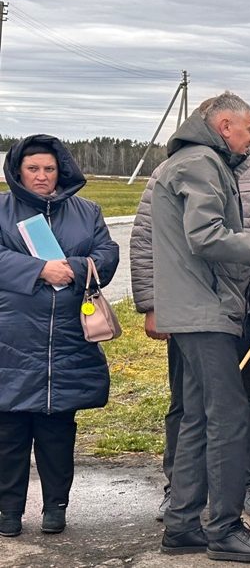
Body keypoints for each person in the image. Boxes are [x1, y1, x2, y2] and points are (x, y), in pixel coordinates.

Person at [151, 92, 250, 562]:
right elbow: (206, 236)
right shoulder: (202, 163)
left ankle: (183, 526)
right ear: (226, 124)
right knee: (230, 416)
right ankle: (226, 528)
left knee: (196, 416)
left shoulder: (192, 161)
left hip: (197, 309)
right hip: (205, 313)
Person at [0, 135, 120, 539]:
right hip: (11, 339)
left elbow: (107, 252)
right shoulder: (0, 209)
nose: (41, 176)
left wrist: (73, 266)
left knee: (57, 430)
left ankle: (56, 506)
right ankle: (8, 510)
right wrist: (38, 270)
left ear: (61, 170)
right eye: (33, 169)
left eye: (49, 169)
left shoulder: (87, 212)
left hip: (68, 337)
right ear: (18, 171)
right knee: (8, 431)